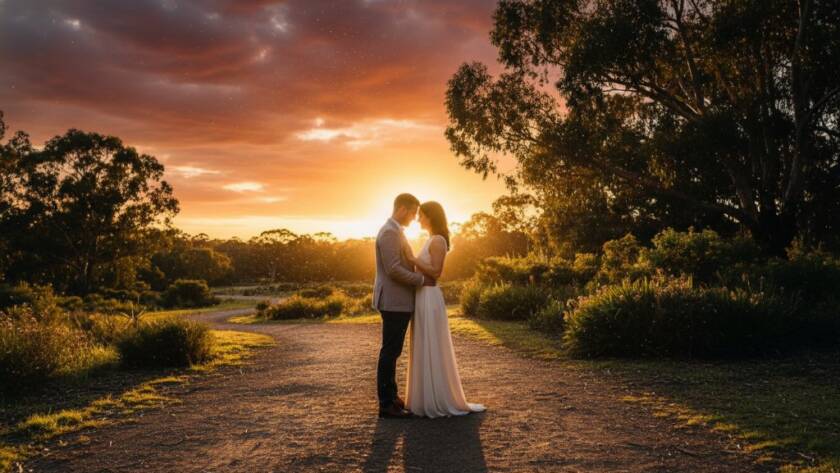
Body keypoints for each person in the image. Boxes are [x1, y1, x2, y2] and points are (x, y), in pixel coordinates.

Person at [403, 201, 485, 418]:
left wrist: (412, 259)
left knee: (432, 344)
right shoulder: (429, 239)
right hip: (422, 297)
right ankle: (423, 397)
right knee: (423, 343)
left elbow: (436, 272)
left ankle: (437, 398)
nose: (418, 219)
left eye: (421, 215)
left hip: (429, 297)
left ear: (431, 216)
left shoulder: (438, 240)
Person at [373, 193, 434, 418]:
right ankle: (386, 404)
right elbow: (393, 269)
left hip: (398, 300)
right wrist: (420, 280)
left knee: (393, 350)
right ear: (402, 210)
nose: (414, 218)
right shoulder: (389, 233)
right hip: (393, 301)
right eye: (413, 213)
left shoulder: (396, 231)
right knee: (389, 352)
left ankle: (392, 396)